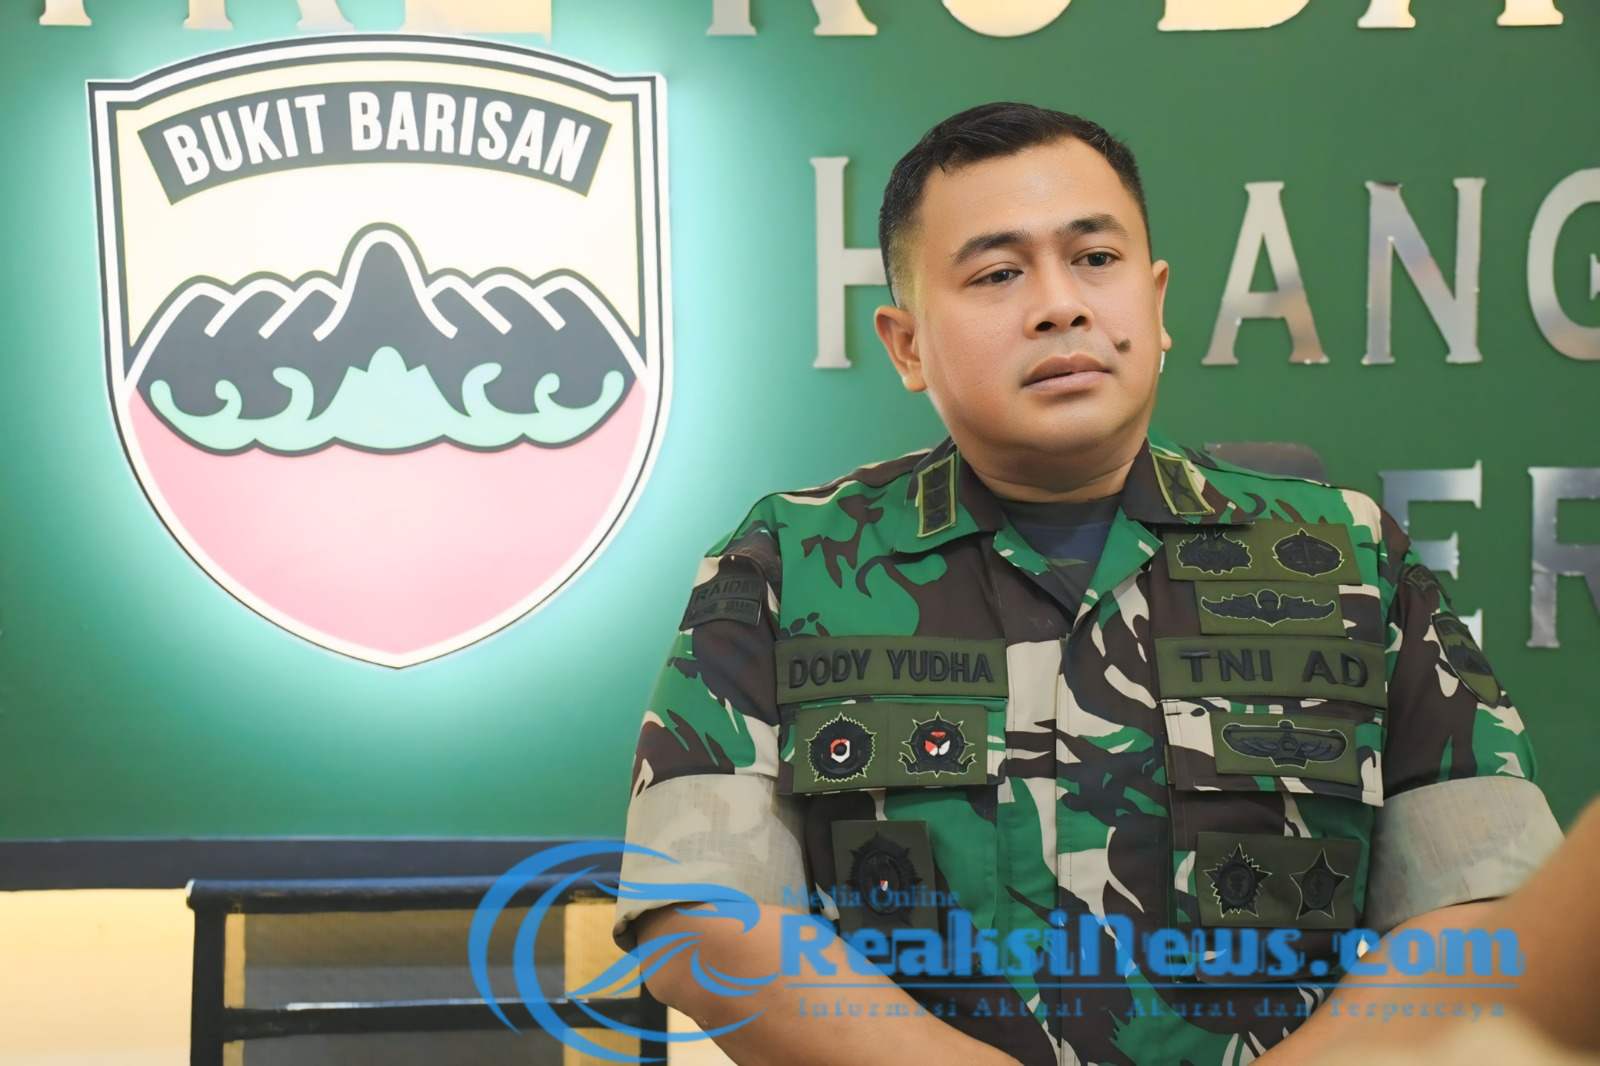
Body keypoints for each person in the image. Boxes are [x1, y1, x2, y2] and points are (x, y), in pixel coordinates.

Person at [608, 102, 1567, 1066]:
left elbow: (1482, 898)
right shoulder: (787, 564)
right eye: (998, 273)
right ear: (906, 344)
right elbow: (702, 912)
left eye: (1096, 259)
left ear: (1156, 302)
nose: (1060, 305)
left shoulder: (1353, 556)